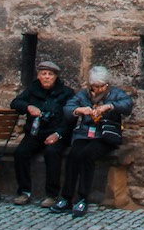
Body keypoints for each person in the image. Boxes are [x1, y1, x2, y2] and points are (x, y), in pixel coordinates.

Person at [50, 66, 132, 217]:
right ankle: (66, 197)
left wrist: (110, 106)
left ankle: (82, 197)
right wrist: (79, 110)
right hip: (84, 134)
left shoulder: (115, 93)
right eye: (96, 86)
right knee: (74, 154)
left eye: (102, 86)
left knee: (87, 155)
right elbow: (68, 108)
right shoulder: (83, 95)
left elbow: (127, 105)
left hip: (105, 135)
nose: (100, 89)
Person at [10, 60, 75, 207]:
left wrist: (58, 134)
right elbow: (15, 103)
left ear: (55, 77)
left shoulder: (67, 93)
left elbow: (70, 119)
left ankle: (51, 194)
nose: (46, 77)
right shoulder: (32, 90)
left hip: (56, 134)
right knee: (21, 152)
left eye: (50, 74)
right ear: (38, 76)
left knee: (52, 153)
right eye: (43, 74)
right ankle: (24, 191)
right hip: (35, 132)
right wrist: (28, 107)